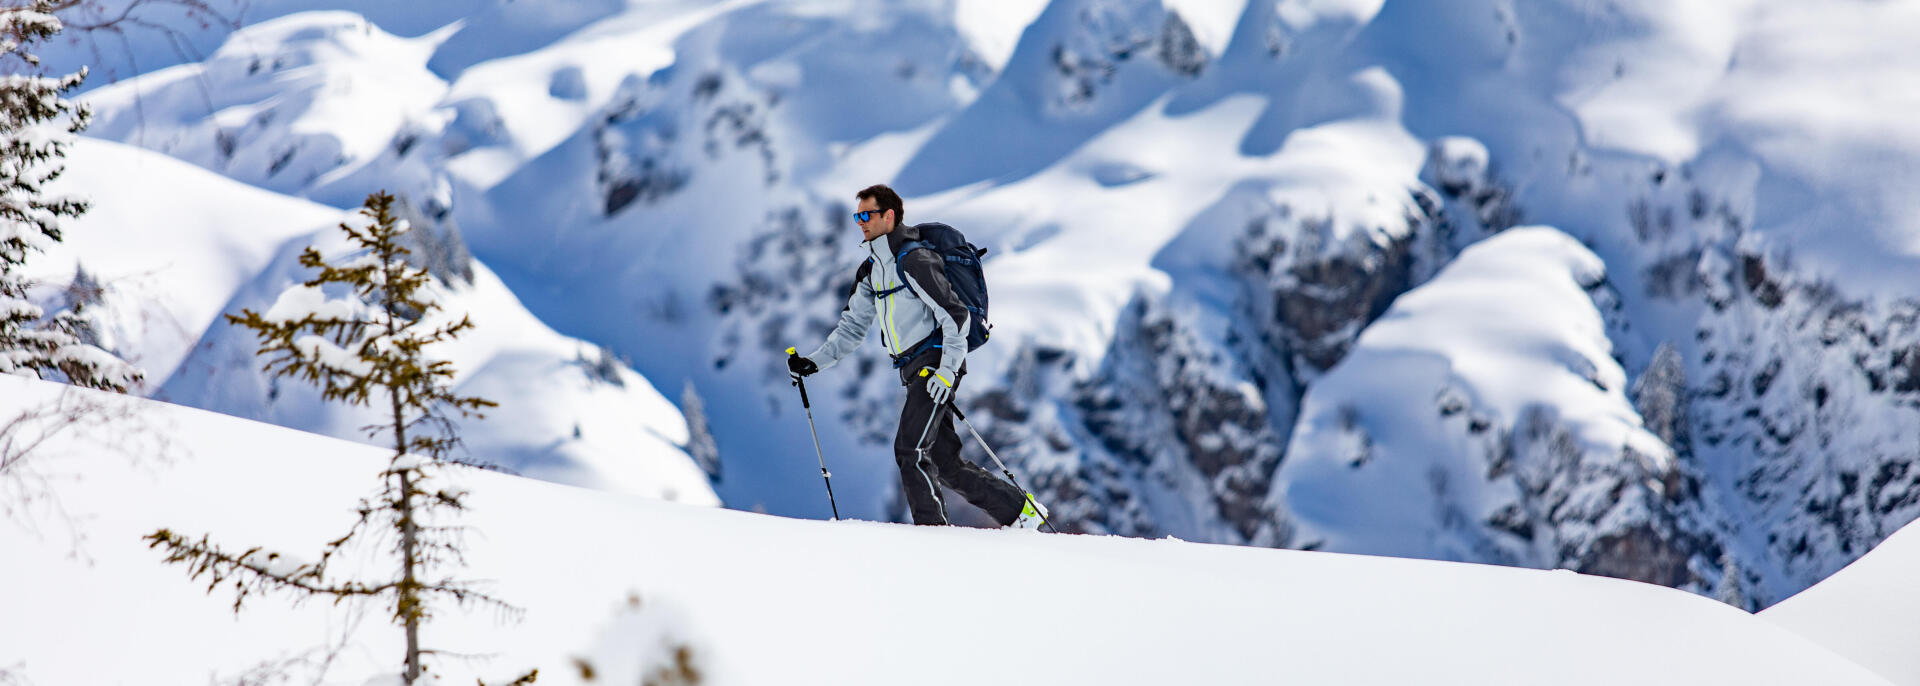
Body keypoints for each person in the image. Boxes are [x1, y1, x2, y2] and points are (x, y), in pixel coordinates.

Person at [788, 184, 1047, 529]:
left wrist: (946, 371)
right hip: (912, 369)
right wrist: (814, 362)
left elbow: (955, 316)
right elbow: (852, 328)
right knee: (945, 460)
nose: (860, 222)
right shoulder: (871, 271)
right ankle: (1022, 512)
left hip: (934, 364)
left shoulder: (913, 260)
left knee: (909, 450)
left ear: (889, 216)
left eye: (867, 215)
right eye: (857, 216)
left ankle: (933, 535)